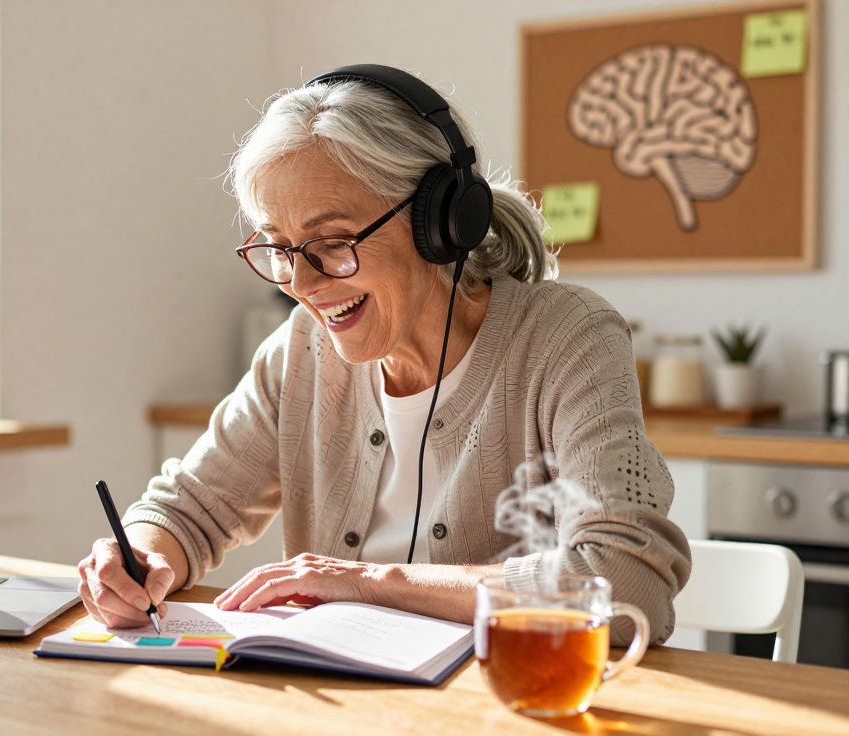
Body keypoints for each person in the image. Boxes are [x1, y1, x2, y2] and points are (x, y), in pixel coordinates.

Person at [77, 65, 691, 645]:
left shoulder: (567, 338)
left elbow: (624, 585)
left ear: (438, 221)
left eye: (334, 243)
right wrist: (138, 555)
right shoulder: (301, 352)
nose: (304, 284)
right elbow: (188, 510)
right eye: (281, 249)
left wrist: (367, 582)